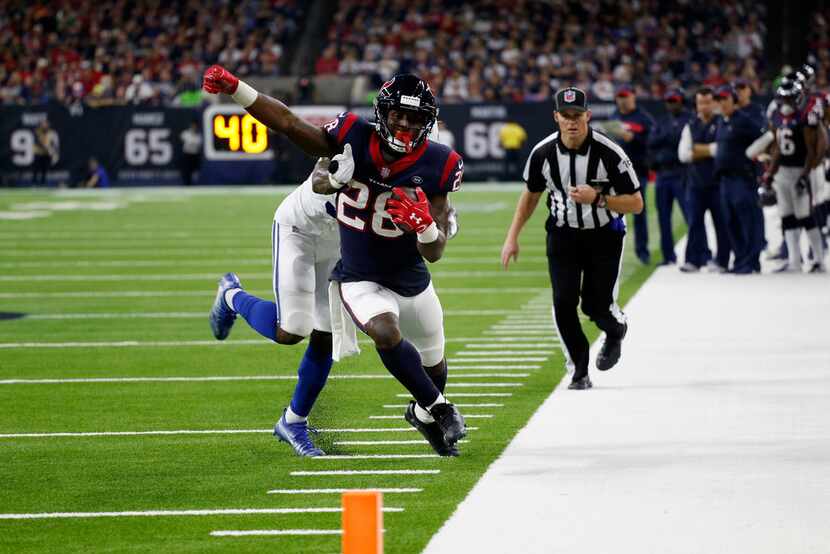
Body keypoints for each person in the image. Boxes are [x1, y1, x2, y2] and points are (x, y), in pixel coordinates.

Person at [203, 67, 467, 456]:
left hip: (348, 242)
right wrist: (237, 90)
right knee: (291, 329)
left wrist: (426, 227)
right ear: (382, 114)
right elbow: (296, 134)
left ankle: (293, 422)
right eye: (398, 117)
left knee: (324, 336)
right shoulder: (350, 140)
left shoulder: (436, 168)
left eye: (416, 120)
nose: (406, 127)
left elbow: (437, 239)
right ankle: (232, 297)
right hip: (304, 227)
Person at [501, 87, 643, 390]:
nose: (571, 121)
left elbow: (636, 203)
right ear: (556, 117)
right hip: (563, 234)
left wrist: (599, 199)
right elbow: (530, 197)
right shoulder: (543, 153)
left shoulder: (609, 152)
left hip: (605, 234)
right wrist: (512, 236)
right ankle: (579, 370)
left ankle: (616, 330)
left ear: (588, 116)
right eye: (565, 116)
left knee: (596, 306)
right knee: (563, 302)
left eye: (577, 115)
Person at [765, 79, 826, 273]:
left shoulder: (805, 118)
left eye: (789, 99)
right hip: (782, 171)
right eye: (783, 99)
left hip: (799, 169)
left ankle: (819, 259)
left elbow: (811, 150)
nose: (786, 104)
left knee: (805, 216)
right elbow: (776, 149)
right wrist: (769, 174)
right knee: (787, 217)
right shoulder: (775, 117)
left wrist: (805, 175)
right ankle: (794, 261)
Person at [711, 85, 765, 274]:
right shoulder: (721, 122)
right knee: (731, 221)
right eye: (718, 99)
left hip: (742, 178)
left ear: (734, 100)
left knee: (748, 221)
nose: (721, 103)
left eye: (725, 99)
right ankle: (741, 260)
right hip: (725, 180)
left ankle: (751, 262)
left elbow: (765, 137)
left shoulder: (743, 120)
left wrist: (755, 158)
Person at [678, 87, 731, 272]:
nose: (704, 106)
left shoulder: (723, 122)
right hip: (695, 184)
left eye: (708, 102)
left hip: (718, 184)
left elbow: (723, 150)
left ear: (715, 103)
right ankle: (694, 260)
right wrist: (709, 150)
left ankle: (722, 261)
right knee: (694, 223)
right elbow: (683, 155)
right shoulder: (690, 124)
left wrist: (699, 150)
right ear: (696, 104)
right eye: (701, 102)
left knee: (721, 224)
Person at [611, 85, 654, 264]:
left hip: (637, 170)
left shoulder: (644, 118)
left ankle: (642, 251)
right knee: (613, 211)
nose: (623, 99)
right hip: (615, 172)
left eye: (626, 96)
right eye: (620, 96)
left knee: (638, 211)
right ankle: (612, 249)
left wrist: (634, 138)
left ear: (633, 97)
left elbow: (653, 141)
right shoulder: (614, 116)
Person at [648, 89, 690, 265]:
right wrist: (668, 136)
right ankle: (668, 256)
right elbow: (651, 141)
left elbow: (675, 140)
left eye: (674, 100)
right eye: (669, 101)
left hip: (682, 173)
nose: (671, 104)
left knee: (690, 215)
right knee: (663, 217)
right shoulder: (663, 120)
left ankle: (701, 252)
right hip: (663, 174)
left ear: (681, 101)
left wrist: (664, 137)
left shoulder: (689, 119)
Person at [32, 119, 55, 186]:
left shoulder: (50, 132)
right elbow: (41, 142)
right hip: (38, 153)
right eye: (44, 124)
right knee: (36, 169)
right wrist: (47, 146)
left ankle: (43, 182)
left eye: (46, 124)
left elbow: (51, 143)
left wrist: (51, 150)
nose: (45, 125)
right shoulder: (37, 131)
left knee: (44, 169)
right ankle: (34, 183)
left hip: (46, 153)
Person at [179, 120, 202, 186]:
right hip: (187, 155)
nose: (194, 127)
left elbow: (198, 145)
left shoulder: (199, 135)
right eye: (192, 126)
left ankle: (195, 183)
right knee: (186, 170)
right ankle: (186, 183)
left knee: (195, 171)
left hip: (195, 155)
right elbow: (182, 140)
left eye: (195, 126)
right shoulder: (186, 133)